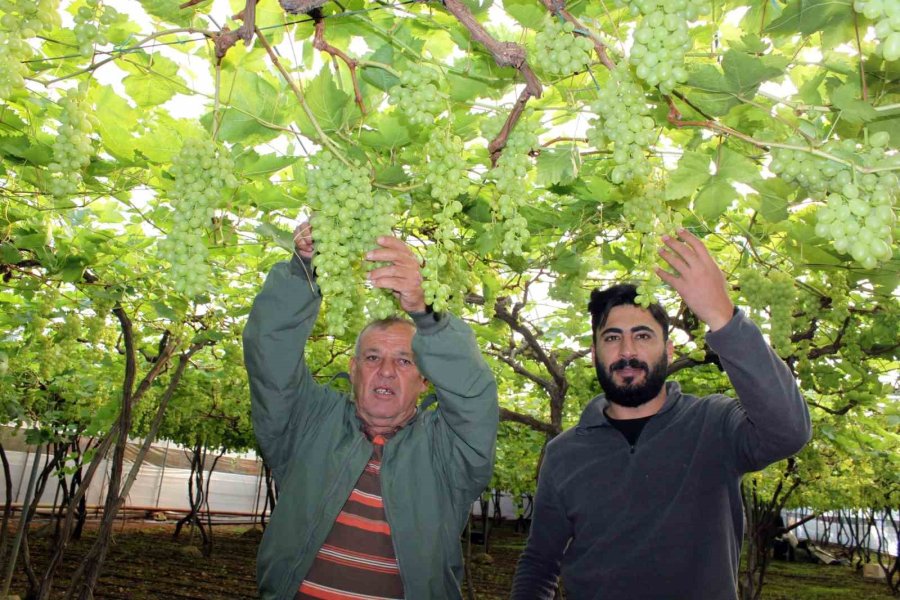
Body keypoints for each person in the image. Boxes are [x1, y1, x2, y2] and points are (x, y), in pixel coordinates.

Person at [510, 229, 812, 600]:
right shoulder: (564, 452)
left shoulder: (714, 424)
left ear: (668, 349)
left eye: (643, 336)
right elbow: (540, 562)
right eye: (612, 338)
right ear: (594, 353)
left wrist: (722, 314)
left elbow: (789, 432)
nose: (627, 351)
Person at [243, 221, 499, 600]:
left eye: (404, 362)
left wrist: (427, 312)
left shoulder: (449, 452)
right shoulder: (308, 423)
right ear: (353, 368)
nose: (385, 371)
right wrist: (304, 271)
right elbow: (270, 354)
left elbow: (474, 398)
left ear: (426, 380)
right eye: (373, 357)